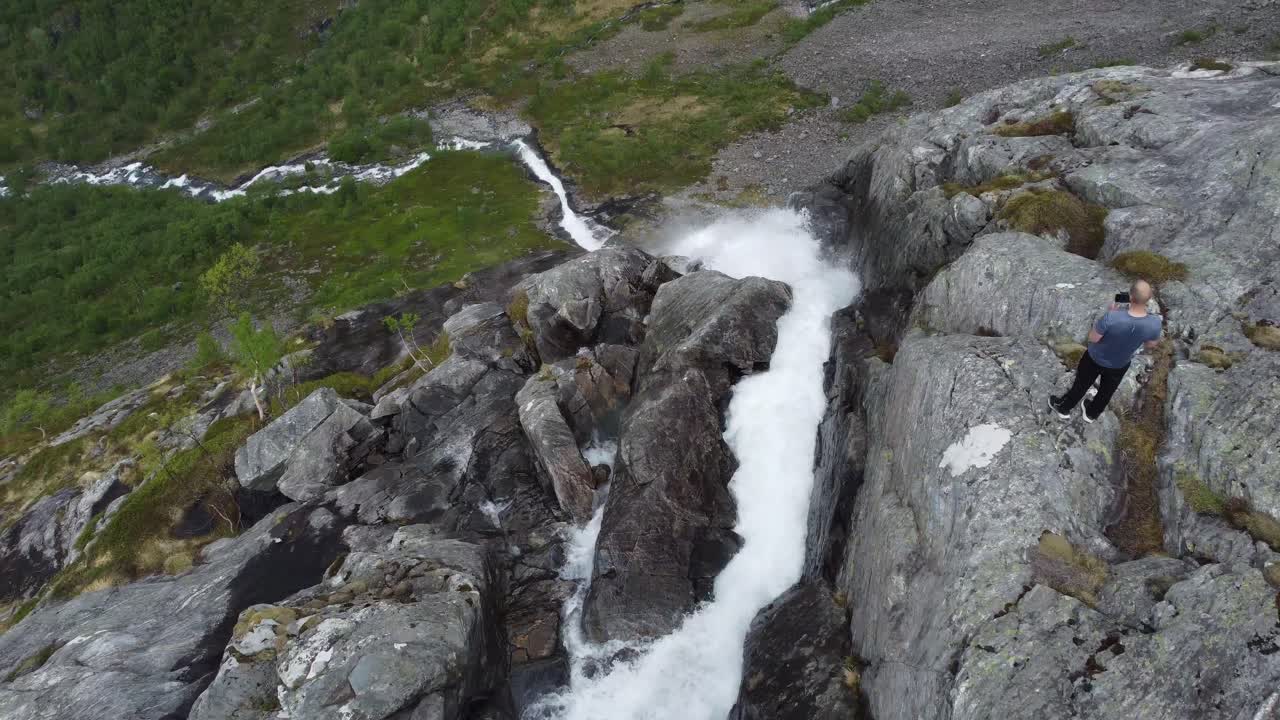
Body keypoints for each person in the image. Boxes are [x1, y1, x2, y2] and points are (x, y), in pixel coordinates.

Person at [1050, 279, 1162, 423]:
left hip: (1095, 358)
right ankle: (1091, 414)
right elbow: (1151, 344)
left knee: (1081, 384)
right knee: (1106, 391)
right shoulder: (1154, 323)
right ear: (1148, 299)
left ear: (1131, 296)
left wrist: (1110, 315)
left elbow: (1093, 338)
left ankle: (1064, 408)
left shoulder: (1112, 317)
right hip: (1120, 363)